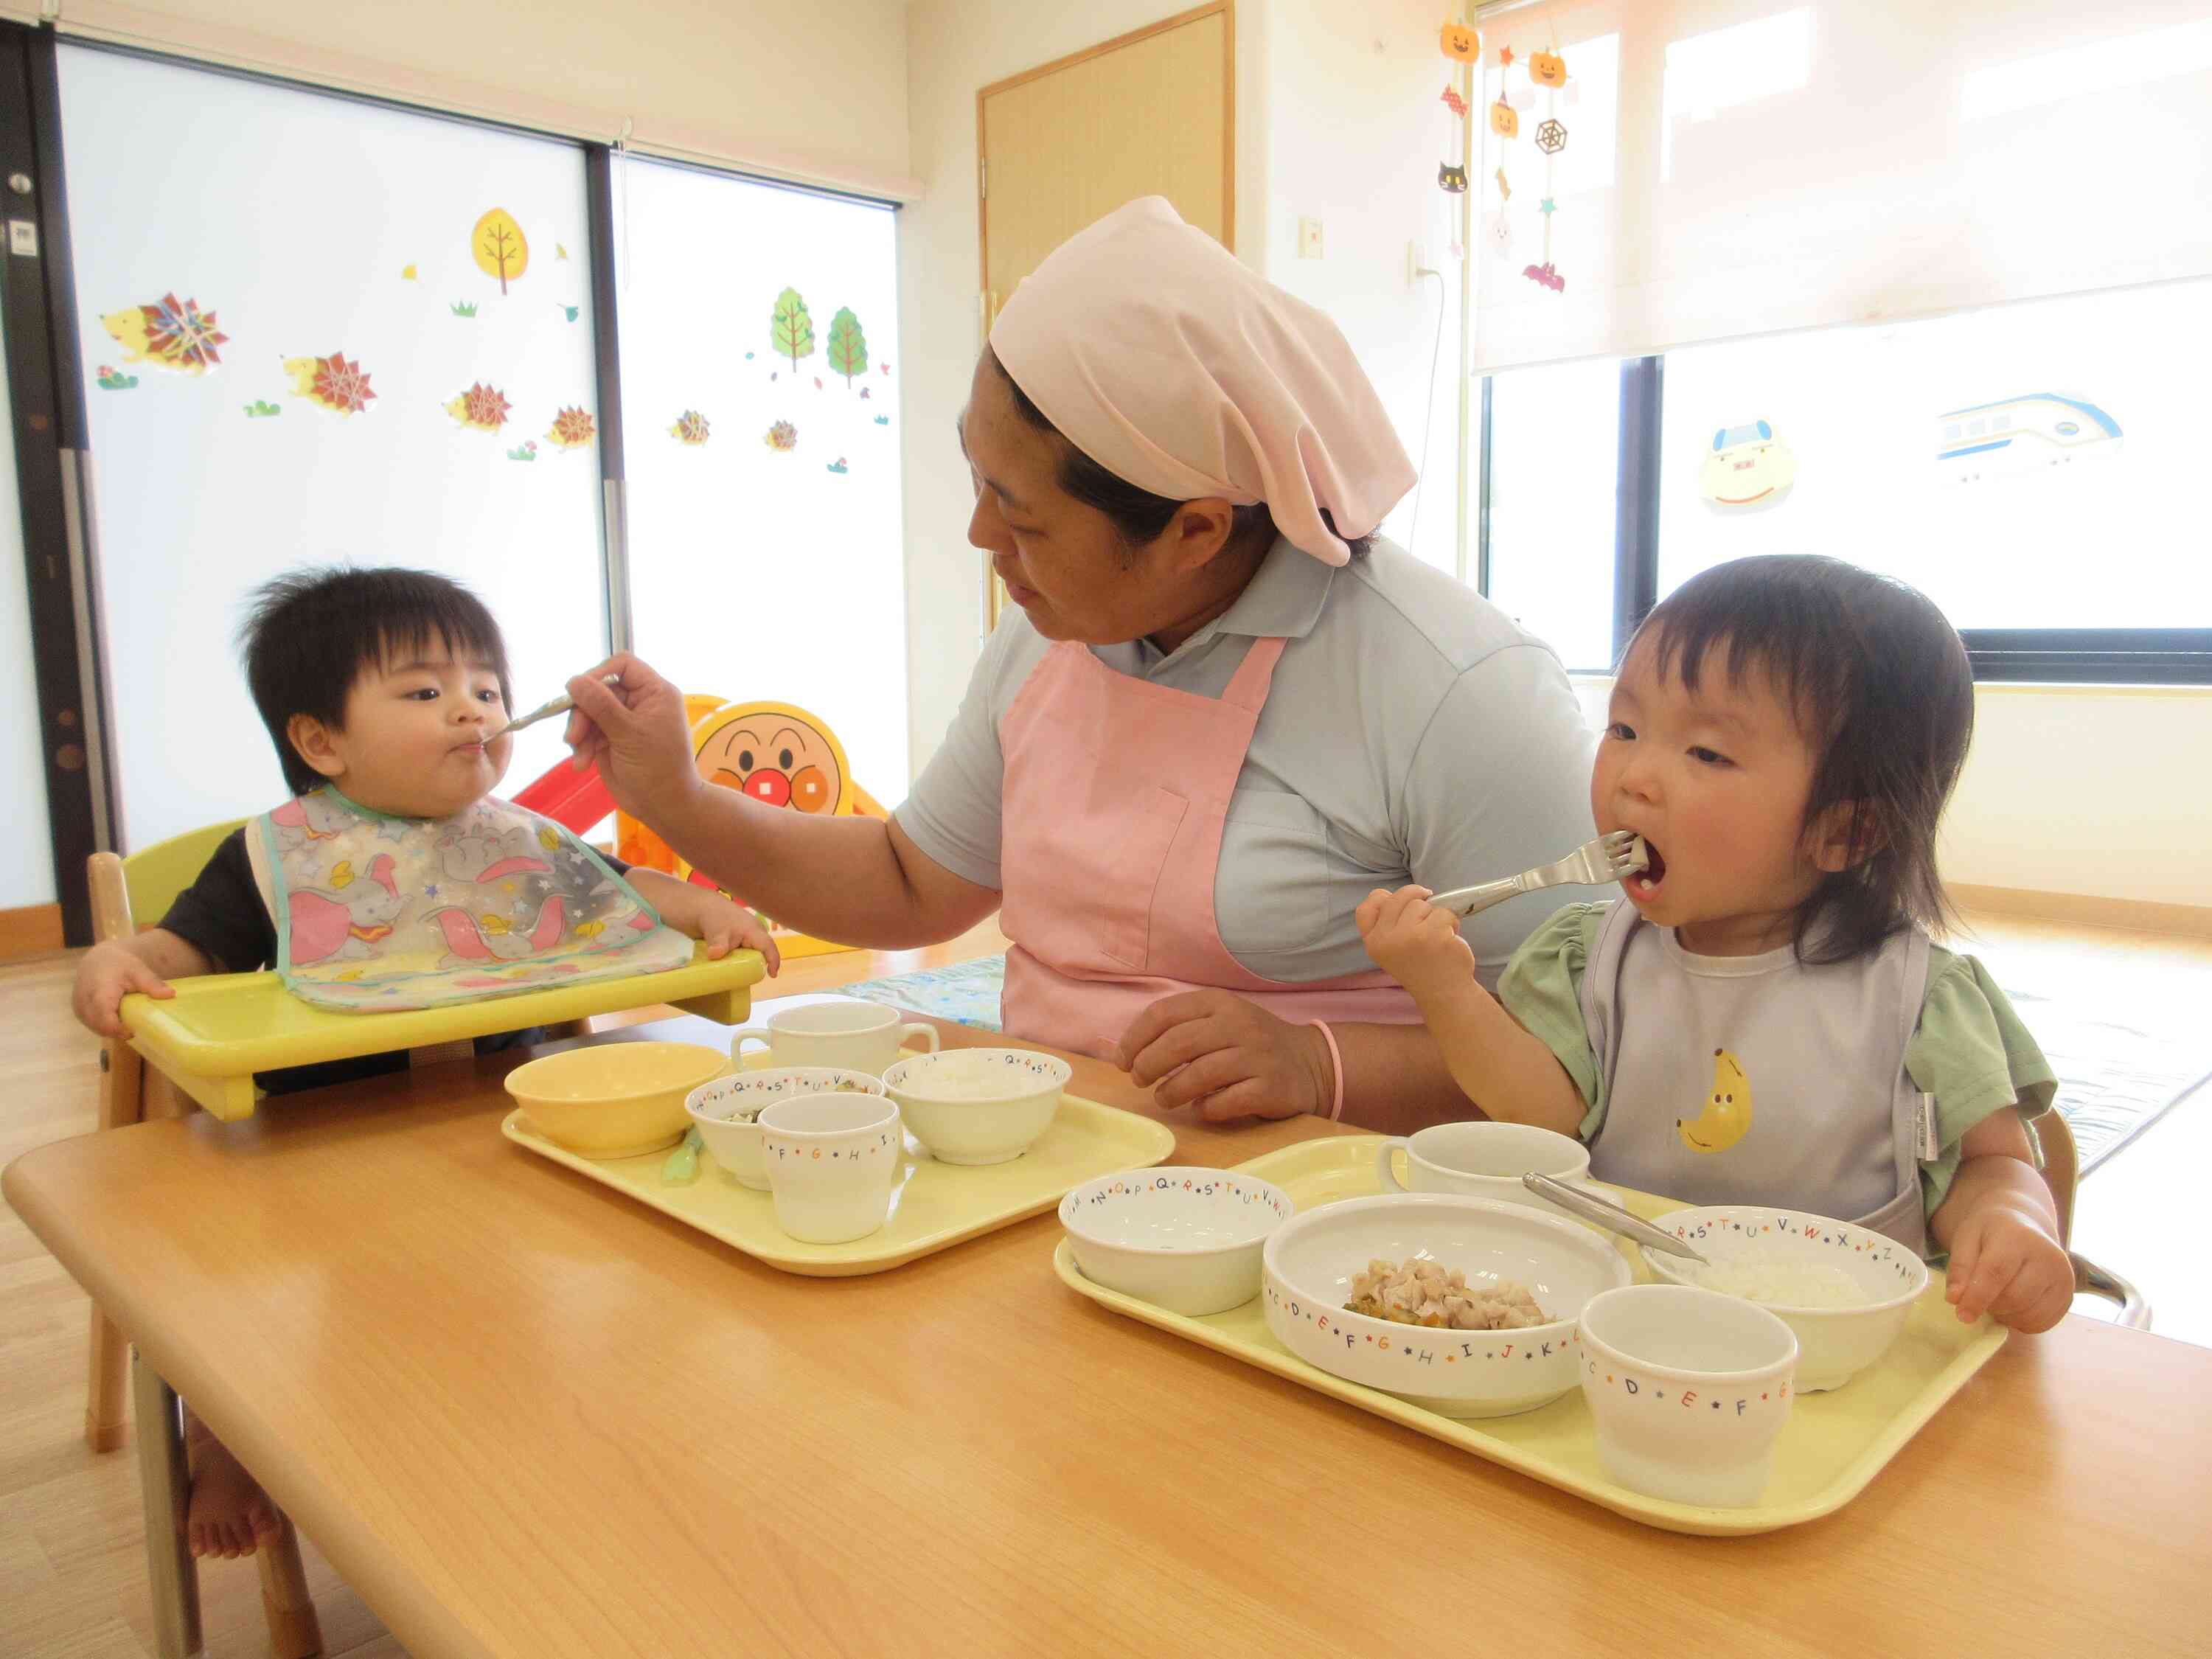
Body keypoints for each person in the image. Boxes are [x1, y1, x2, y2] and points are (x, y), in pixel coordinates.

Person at [563, 196, 1599, 1132]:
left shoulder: (1462, 692)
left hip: (1318, 1211)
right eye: (977, 477)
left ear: (1194, 530)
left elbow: (1575, 1057)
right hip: (1045, 1150)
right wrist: (679, 798)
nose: (978, 535)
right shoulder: (1049, 630)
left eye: (1018, 513)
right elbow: (909, 883)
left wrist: (1317, 1064)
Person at [69, 566, 776, 1557]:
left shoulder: (520, 837)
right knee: (215, 1275)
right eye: (424, 691)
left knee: (547, 1277)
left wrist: (703, 907)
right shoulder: (279, 852)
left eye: (486, 689)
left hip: (506, 1127)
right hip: (312, 1152)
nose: (471, 711)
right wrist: (119, 957)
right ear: (320, 740)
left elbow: (627, 892)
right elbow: (187, 952)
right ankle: (224, 1436)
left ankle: (497, 1411)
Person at [1356, 554, 2070, 1332]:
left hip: (1836, 1351)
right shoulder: (1592, 958)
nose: (1634, 777)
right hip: (1626, 1323)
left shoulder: (1917, 999)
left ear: (1846, 828)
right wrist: (1444, 988)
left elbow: (1996, 1163)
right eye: (1624, 729)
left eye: (1705, 753)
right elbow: (1542, 1116)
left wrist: (2011, 1223)